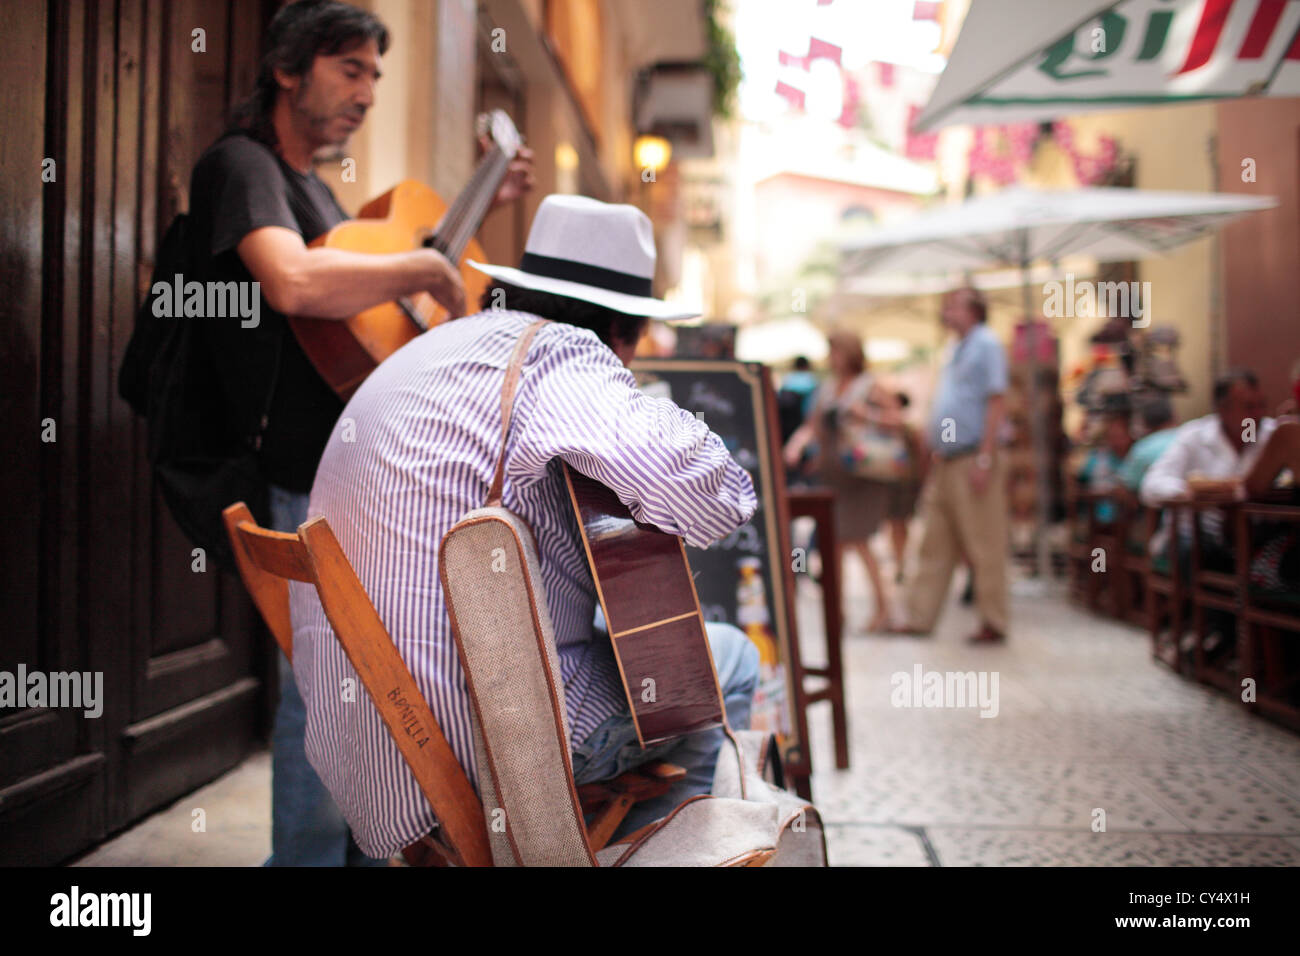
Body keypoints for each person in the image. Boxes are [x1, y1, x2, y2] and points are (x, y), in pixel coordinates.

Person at [288, 194, 762, 857]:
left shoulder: (436, 348)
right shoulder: (563, 357)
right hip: (482, 745)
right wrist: (644, 403)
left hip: (366, 743)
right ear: (621, 334)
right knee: (734, 659)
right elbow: (714, 499)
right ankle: (641, 854)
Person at [185, 0, 533, 865]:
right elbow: (297, 283)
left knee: (359, 687)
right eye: (350, 69)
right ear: (288, 70)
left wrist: (451, 233)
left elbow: (369, 306)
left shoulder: (316, 192)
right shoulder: (243, 165)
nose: (368, 92)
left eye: (377, 74)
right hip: (290, 474)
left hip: (338, 481)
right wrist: (421, 265)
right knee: (326, 690)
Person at [890, 286, 1009, 644]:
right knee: (935, 541)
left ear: (974, 310)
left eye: (953, 306)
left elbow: (996, 400)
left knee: (984, 543)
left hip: (974, 455)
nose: (946, 313)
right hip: (947, 460)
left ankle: (994, 620)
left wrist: (986, 456)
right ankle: (919, 616)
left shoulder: (986, 343)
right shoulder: (954, 348)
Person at [783, 331, 898, 633]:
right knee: (835, 543)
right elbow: (814, 426)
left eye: (837, 351)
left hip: (862, 476)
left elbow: (897, 419)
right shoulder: (828, 388)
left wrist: (867, 415)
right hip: (834, 476)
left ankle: (882, 608)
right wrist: (796, 446)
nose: (832, 357)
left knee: (857, 541)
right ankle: (839, 611)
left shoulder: (870, 385)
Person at [884, 392, 925, 584]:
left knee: (900, 523)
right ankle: (899, 560)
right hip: (892, 482)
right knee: (895, 524)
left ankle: (900, 560)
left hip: (905, 483)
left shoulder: (908, 428)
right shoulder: (885, 426)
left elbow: (920, 452)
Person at [1076, 410, 1133, 524]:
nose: (1117, 441)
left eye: (1120, 436)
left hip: (1130, 514)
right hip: (1100, 513)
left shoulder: (1135, 456)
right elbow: (1081, 479)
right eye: (1112, 436)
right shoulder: (1097, 457)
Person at [1118, 396, 1179, 494]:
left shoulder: (1143, 447)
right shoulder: (1188, 439)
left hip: (1152, 505)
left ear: (1145, 423)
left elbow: (1127, 484)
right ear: (1174, 416)